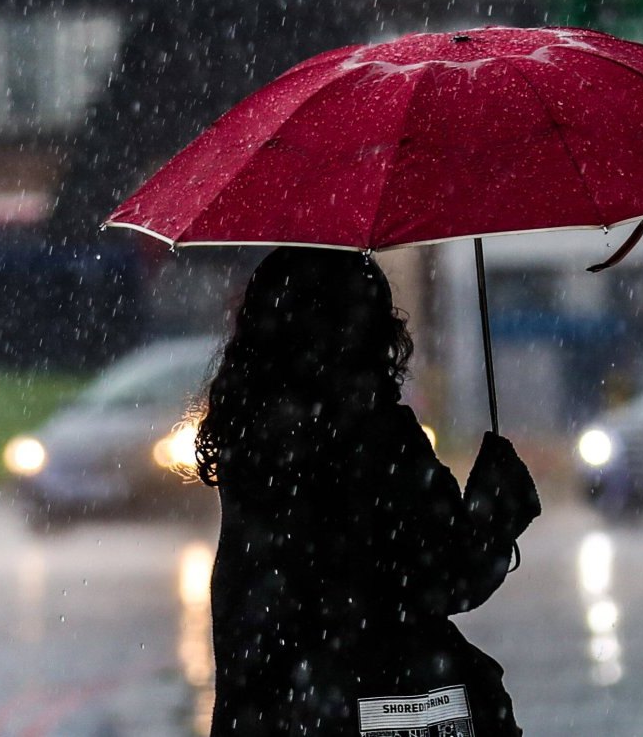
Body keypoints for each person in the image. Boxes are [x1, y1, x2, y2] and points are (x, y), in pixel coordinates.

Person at [195, 247, 540, 736]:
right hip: (375, 714)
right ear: (369, 328)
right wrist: (496, 502)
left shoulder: (249, 446)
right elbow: (450, 577)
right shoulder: (379, 437)